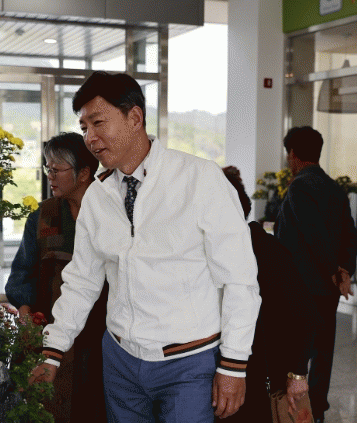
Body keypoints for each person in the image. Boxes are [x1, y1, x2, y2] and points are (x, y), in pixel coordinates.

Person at [29, 71, 261, 423]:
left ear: (134, 118)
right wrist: (53, 350)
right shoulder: (98, 196)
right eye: (84, 128)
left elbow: (239, 279)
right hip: (120, 360)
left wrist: (234, 364)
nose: (90, 138)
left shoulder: (199, 179)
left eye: (98, 123)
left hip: (189, 362)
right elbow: (82, 281)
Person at [5, 132, 107, 423]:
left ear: (84, 173)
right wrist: (26, 315)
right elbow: (21, 273)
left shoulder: (109, 213)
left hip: (98, 337)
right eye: (47, 168)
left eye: (56, 169)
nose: (49, 176)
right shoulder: (42, 216)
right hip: (47, 329)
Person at [220, 166, 316, 422]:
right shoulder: (212, 252)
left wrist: (298, 373)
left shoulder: (265, 248)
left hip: (262, 375)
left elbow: (305, 312)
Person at [274, 126, 357, 423]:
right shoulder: (335, 188)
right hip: (327, 289)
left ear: (293, 155)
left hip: (302, 287)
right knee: (323, 350)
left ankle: (295, 412)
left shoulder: (299, 187)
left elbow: (314, 235)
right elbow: (350, 234)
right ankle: (317, 410)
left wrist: (334, 270)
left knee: (295, 353)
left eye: (288, 154)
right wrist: (344, 270)